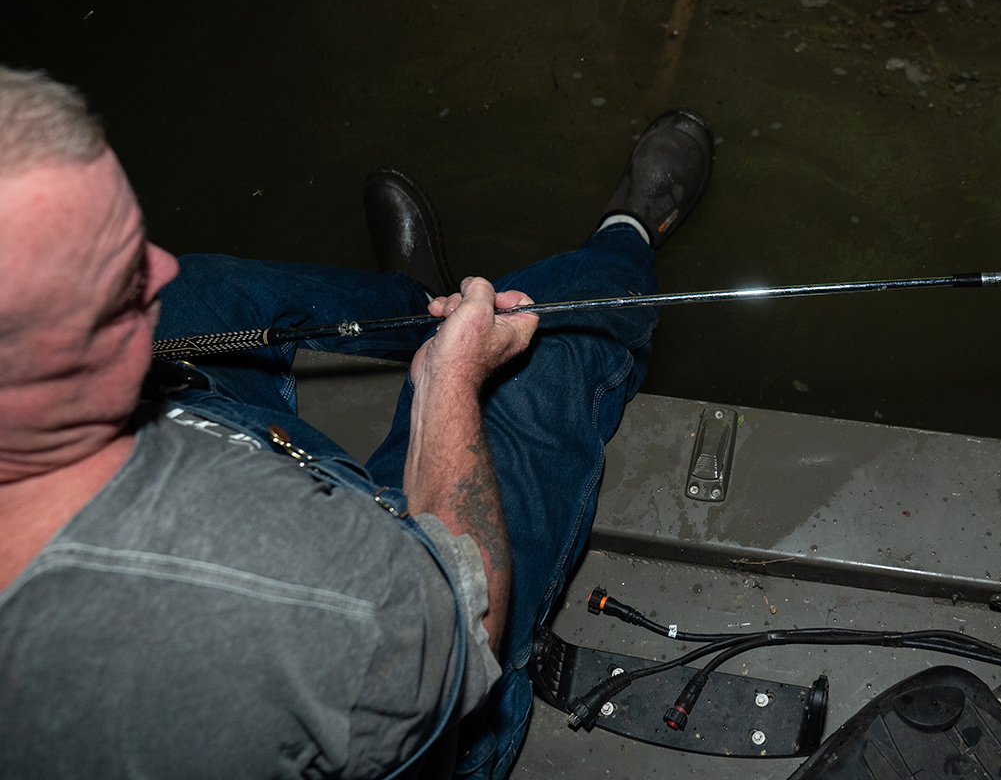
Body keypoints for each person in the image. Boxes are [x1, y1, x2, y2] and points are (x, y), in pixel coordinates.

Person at [0, 64, 714, 778]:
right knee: (548, 337)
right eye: (114, 274)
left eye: (131, 234)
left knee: (198, 289)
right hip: (427, 648)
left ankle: (412, 305)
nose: (151, 269)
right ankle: (631, 232)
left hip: (221, 454)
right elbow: (465, 622)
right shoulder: (256, 595)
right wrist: (451, 381)